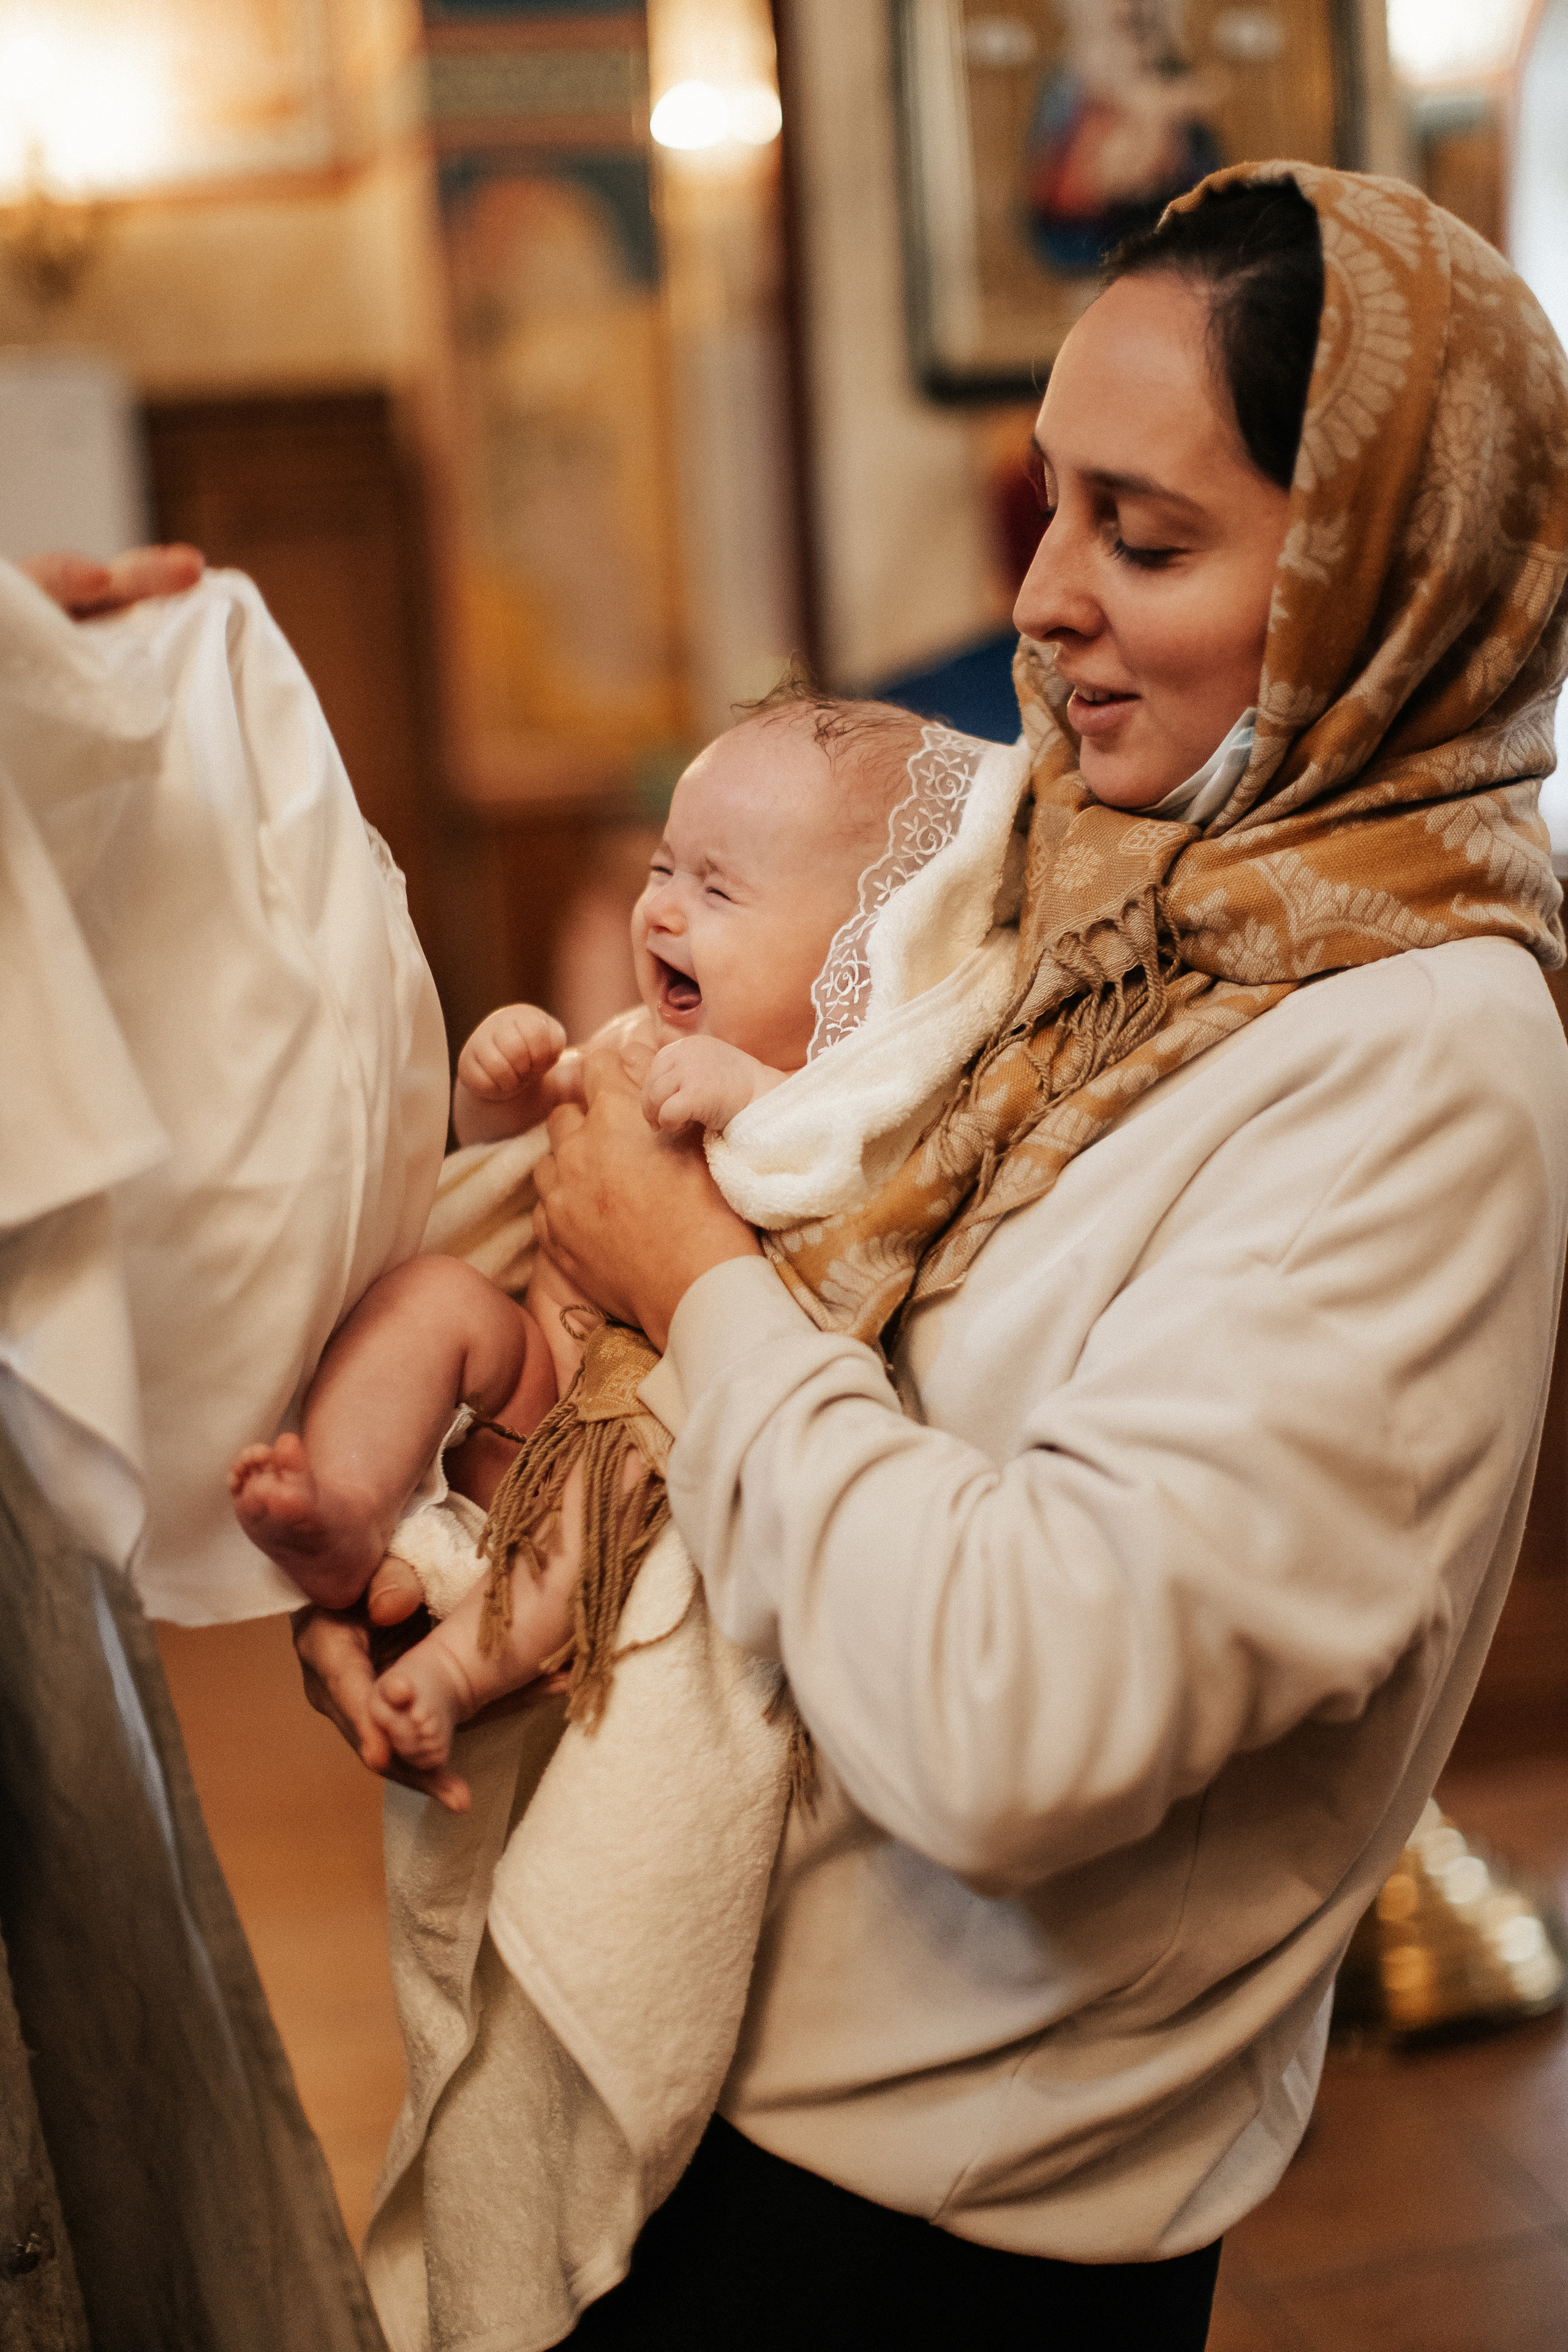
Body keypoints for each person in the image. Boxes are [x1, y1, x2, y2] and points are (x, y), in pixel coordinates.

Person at [298, 161, 1568, 2350]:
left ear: (1380, 570)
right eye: (1052, 509)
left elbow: (1018, 1718)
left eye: (1147, 538)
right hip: (726, 2086)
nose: (1047, 599)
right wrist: (446, 1547)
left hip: (925, 2234)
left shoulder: (1419, 1055)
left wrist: (687, 1270)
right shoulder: (1089, 896)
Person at [232, 694, 932, 1806]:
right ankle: (344, 1508)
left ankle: (454, 1680)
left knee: (589, 1527)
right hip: (528, 1358)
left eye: (717, 889)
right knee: (430, 1296)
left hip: (645, 1423)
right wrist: (496, 1089)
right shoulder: (643, 1039)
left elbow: (829, 1178)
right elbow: (518, 1166)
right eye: (662, 871)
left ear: (857, 954)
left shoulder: (848, 1093)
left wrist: (747, 1094)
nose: (660, 912)